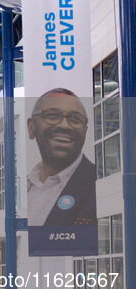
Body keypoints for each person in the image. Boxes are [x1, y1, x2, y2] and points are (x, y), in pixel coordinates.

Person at [27, 88, 96, 226]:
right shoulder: (20, 188)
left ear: (85, 130)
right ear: (31, 127)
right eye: (52, 116)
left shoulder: (98, 183)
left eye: (75, 119)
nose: (64, 125)